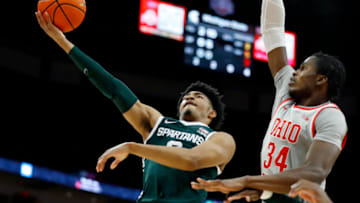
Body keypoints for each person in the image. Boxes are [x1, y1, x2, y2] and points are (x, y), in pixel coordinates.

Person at [35, 11, 236, 203]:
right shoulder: (157, 123)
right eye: (186, 96)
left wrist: (133, 148)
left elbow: (192, 161)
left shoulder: (220, 139)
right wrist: (62, 41)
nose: (190, 97)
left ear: (212, 113)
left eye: (198, 96)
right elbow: (114, 89)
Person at [191, 0, 347, 202]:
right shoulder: (287, 93)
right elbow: (272, 30)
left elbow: (313, 174)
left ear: (320, 79)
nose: (294, 73)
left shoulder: (330, 115)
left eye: (302, 69)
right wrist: (264, 190)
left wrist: (248, 181)